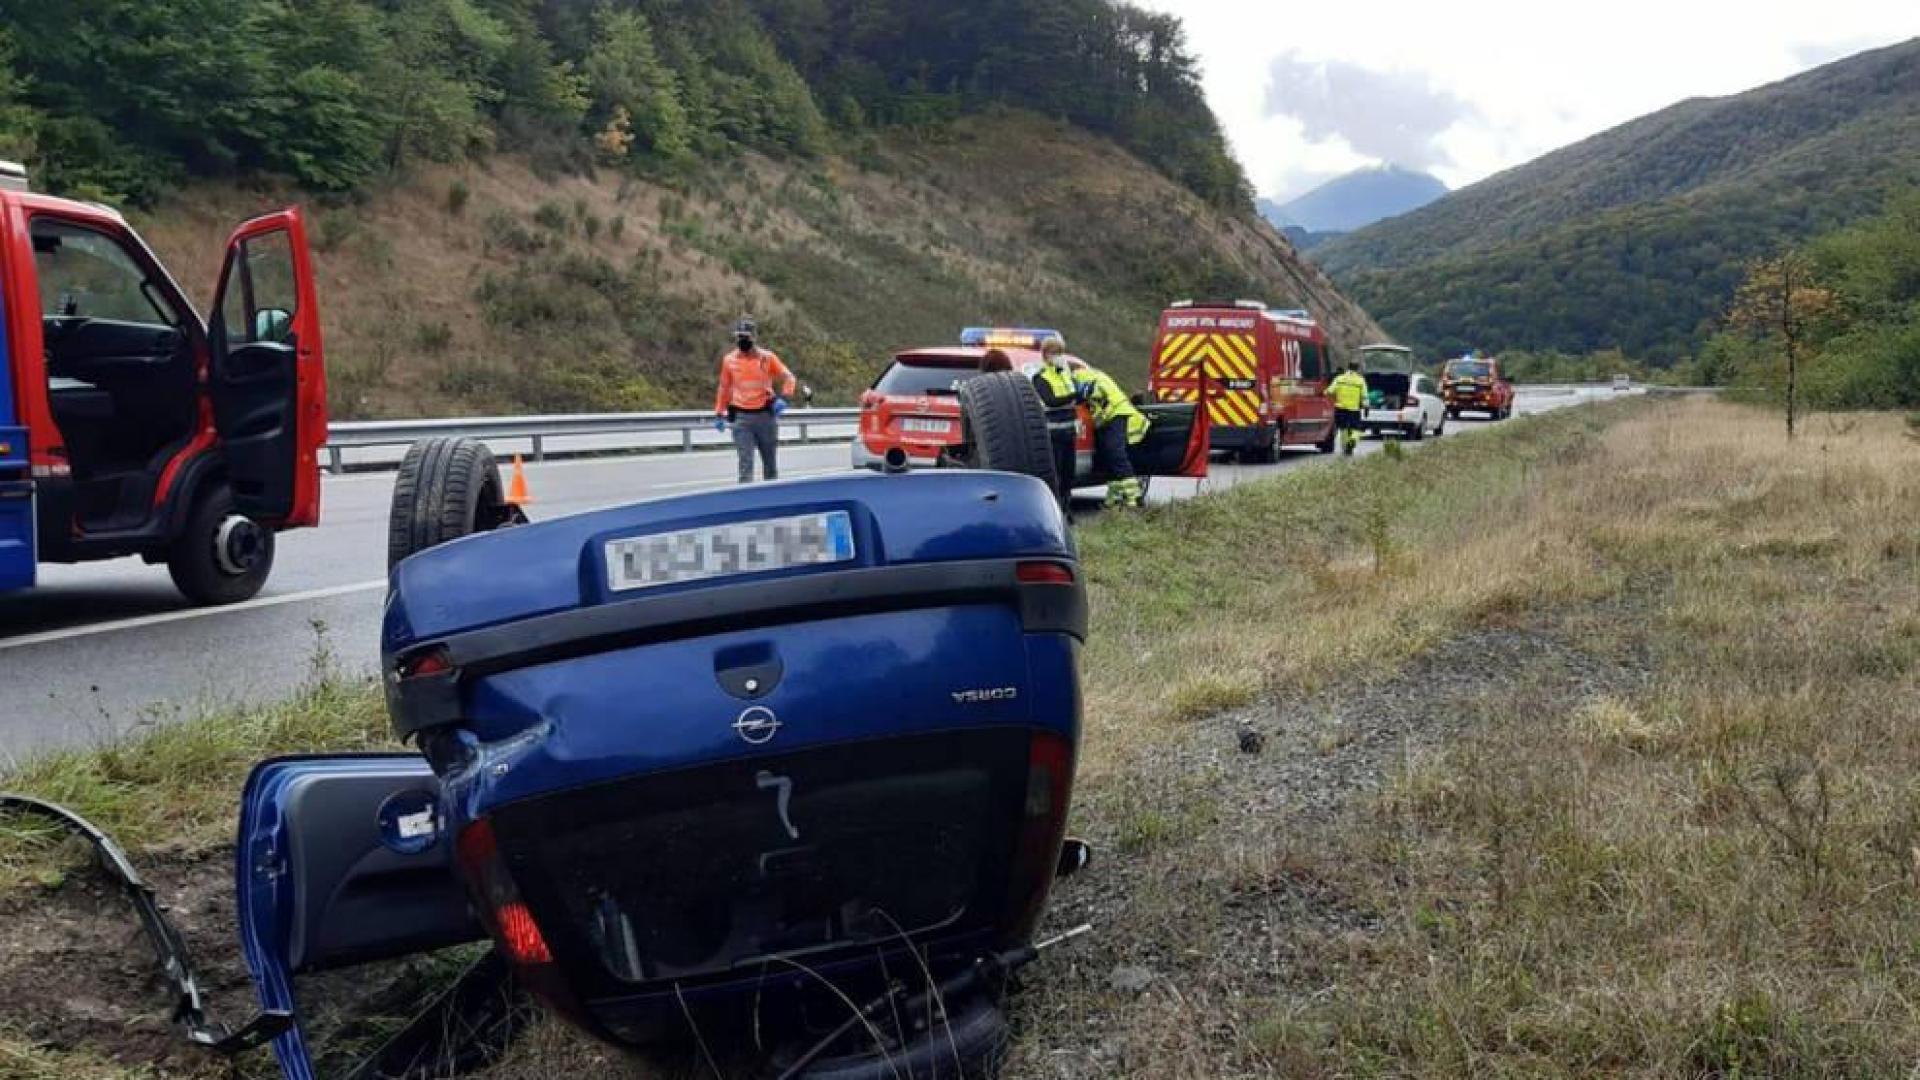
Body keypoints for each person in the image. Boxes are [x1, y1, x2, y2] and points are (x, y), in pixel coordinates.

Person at [1032, 337, 1149, 508]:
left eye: (1060, 353)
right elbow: (1054, 399)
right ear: (1045, 355)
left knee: (1113, 456)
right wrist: (1077, 396)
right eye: (1055, 353)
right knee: (1108, 457)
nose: (1059, 358)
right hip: (1060, 431)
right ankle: (1116, 497)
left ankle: (1132, 497)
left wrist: (1081, 395)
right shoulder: (1046, 376)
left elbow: (1090, 396)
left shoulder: (1078, 376)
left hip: (1099, 420)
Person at [713, 317, 796, 483]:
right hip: (741, 418)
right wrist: (719, 413)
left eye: (746, 337)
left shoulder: (767, 358)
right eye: (739, 337)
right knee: (745, 465)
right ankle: (746, 501)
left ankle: (771, 500)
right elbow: (724, 387)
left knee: (770, 465)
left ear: (754, 337)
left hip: (765, 416)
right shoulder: (729, 361)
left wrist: (785, 397)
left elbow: (789, 377)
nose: (742, 341)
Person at [1327, 359, 1369, 456]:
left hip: (1340, 408)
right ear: (1357, 369)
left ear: (1348, 367)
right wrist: (1366, 407)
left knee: (1343, 428)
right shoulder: (1360, 380)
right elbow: (1365, 395)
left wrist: (1323, 393)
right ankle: (1353, 440)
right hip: (1354, 409)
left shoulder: (1339, 378)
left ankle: (1346, 447)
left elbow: (1330, 390)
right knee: (1356, 428)